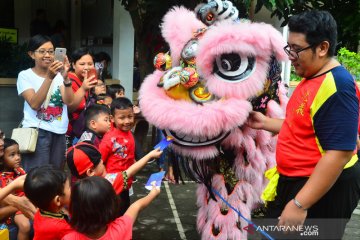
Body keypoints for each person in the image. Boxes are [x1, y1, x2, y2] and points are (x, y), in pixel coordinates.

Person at [247, 10, 360, 238]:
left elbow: (339, 153)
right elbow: (302, 127)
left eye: (297, 49)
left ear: (322, 48)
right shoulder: (310, 79)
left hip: (323, 186)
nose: (290, 55)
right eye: (288, 47)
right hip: (297, 179)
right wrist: (265, 122)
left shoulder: (337, 87)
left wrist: (300, 204)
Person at [16, 34, 76, 171]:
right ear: (32, 54)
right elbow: (35, 104)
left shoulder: (60, 76)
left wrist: (66, 78)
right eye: (42, 51)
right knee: (38, 176)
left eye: (50, 51)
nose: (47, 55)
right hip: (37, 132)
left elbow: (69, 101)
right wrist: (49, 77)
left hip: (59, 132)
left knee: (56, 175)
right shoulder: (25, 75)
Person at [99, 97, 156, 214]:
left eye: (130, 117)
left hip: (126, 183)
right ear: (112, 119)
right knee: (114, 215)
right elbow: (100, 162)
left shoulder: (129, 133)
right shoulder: (110, 139)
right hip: (113, 186)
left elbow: (129, 154)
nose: (127, 121)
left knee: (124, 210)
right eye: (122, 118)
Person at [63, 176, 160, 240]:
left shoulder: (69, 238)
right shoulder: (121, 228)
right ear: (111, 206)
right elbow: (136, 206)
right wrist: (152, 194)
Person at [66, 142, 162, 194]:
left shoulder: (72, 191)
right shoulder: (107, 184)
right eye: (100, 162)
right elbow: (130, 171)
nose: (102, 162)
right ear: (90, 171)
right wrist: (150, 155)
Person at [23, 165, 72, 240]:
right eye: (69, 187)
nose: (72, 189)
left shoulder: (40, 212)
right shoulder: (61, 228)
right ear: (58, 200)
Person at [0, 139, 31, 240]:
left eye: (18, 153)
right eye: (12, 155)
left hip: (26, 202)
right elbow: (5, 202)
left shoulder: (19, 171)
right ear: (2, 159)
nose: (18, 158)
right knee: (25, 226)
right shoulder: (2, 178)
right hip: (14, 211)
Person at [66, 47, 98, 141]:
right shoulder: (68, 80)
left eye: (90, 64)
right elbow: (70, 107)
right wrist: (83, 88)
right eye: (82, 64)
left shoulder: (86, 79)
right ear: (73, 65)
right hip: (68, 133)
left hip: (80, 131)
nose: (86, 67)